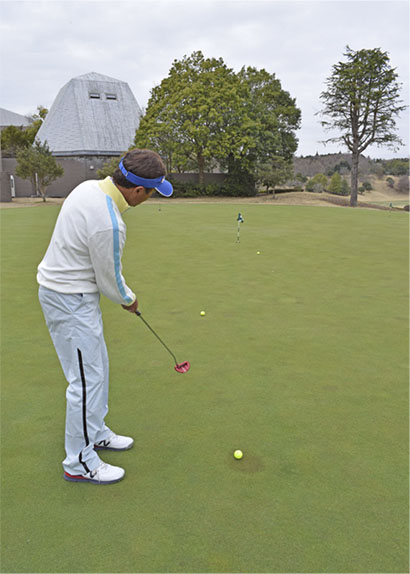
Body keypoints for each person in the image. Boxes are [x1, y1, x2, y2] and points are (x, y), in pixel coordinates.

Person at [37, 149, 173, 485]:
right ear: (138, 191)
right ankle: (79, 462)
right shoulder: (109, 222)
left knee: (97, 370)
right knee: (85, 382)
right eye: (152, 192)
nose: (151, 197)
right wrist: (129, 299)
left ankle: (95, 431)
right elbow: (109, 279)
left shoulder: (88, 187)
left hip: (71, 295)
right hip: (69, 299)